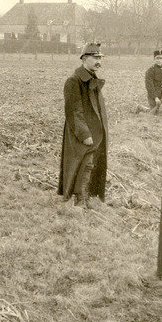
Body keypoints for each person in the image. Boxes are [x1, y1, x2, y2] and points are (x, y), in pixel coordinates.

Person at [58, 43, 108, 207]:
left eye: (100, 58)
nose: (99, 61)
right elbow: (74, 111)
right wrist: (84, 134)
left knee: (92, 164)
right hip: (81, 133)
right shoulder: (73, 81)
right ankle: (80, 201)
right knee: (83, 164)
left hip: (95, 132)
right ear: (84, 59)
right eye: (95, 58)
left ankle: (87, 197)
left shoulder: (93, 79)